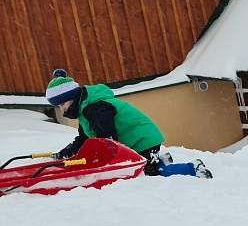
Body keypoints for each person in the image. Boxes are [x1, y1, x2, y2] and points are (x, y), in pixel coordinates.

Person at [46, 70, 211, 178]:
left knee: (148, 174)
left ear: (72, 98)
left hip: (142, 139)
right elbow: (83, 139)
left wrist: (97, 162)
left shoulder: (95, 109)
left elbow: (108, 140)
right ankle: (162, 160)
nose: (61, 110)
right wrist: (65, 153)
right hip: (136, 139)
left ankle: (193, 168)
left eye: (62, 104)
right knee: (144, 166)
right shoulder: (85, 109)